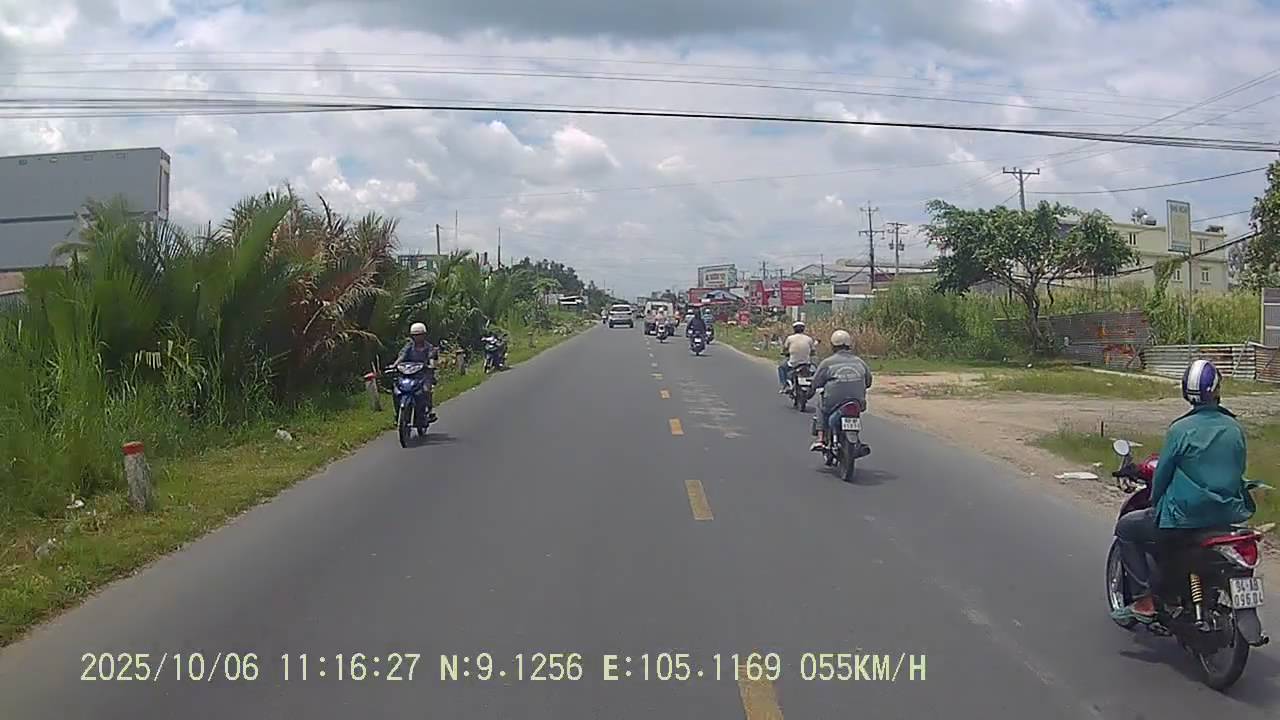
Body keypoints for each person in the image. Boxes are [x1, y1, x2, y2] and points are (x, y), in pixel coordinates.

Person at [1111, 359, 1254, 623]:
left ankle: (1144, 601)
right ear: (1217, 389)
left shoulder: (1180, 430)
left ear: (1186, 392)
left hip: (1184, 519)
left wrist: (1155, 501)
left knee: (1127, 527)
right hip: (1227, 518)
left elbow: (1162, 476)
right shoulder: (1234, 428)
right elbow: (1238, 467)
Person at [809, 329, 872, 453]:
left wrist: (812, 389)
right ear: (849, 345)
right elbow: (868, 381)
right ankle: (857, 440)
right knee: (855, 413)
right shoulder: (860, 362)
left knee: (820, 404)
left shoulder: (827, 363)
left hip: (833, 401)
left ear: (833, 345)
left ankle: (820, 438)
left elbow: (816, 382)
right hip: (857, 402)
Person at [394, 322, 439, 425]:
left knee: (426, 390)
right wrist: (394, 365)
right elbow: (401, 356)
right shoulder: (409, 346)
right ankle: (398, 414)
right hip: (408, 373)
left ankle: (428, 411)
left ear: (424, 335)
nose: (417, 337)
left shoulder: (428, 347)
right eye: (415, 335)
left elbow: (431, 357)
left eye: (419, 335)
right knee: (397, 391)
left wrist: (431, 366)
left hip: (423, 374)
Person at [778, 321, 818, 394]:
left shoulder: (790, 338)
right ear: (803, 329)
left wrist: (785, 352)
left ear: (794, 329)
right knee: (814, 368)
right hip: (806, 363)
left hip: (793, 363)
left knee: (781, 367)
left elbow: (784, 349)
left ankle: (784, 385)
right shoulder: (809, 339)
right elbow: (813, 350)